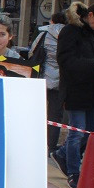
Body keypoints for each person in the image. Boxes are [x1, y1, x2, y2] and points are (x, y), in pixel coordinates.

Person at [51, 2, 94, 188]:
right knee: (77, 132)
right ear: (91, 14)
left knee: (92, 131)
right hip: (75, 90)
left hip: (93, 90)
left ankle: (62, 154)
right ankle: (73, 172)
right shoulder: (71, 31)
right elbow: (66, 61)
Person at [29, 12, 66, 153]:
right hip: (60, 80)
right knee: (55, 115)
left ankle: (36, 140)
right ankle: (51, 145)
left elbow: (33, 52)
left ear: (51, 20)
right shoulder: (69, 35)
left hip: (42, 78)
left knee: (37, 111)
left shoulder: (43, 34)